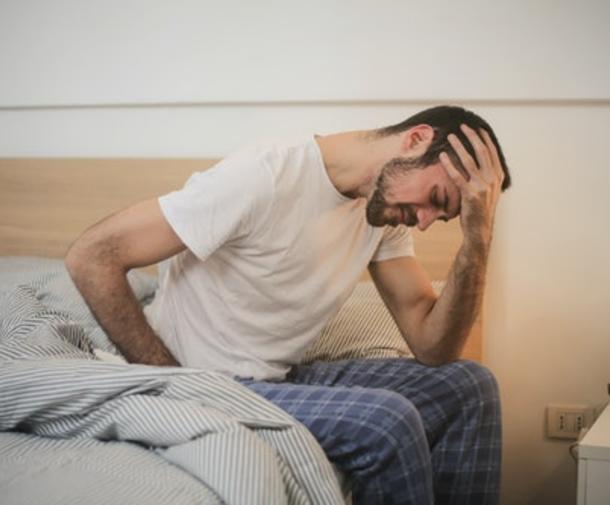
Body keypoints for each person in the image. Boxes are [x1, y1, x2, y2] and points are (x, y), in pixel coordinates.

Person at [66, 105, 511, 505]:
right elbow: (92, 256)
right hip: (207, 380)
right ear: (415, 139)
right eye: (436, 200)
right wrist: (173, 383)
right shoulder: (263, 177)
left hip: (277, 378)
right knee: (386, 423)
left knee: (468, 386)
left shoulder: (383, 212)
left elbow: (434, 347)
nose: (428, 221)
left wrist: (478, 237)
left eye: (445, 216)